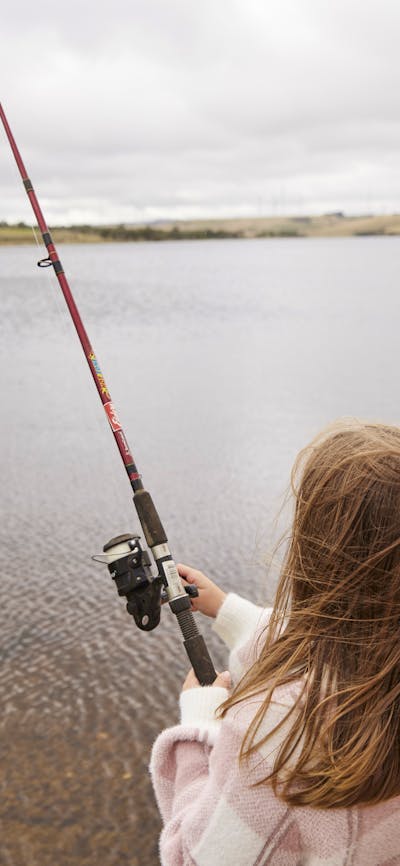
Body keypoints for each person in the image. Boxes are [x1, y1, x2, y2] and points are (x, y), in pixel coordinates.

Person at [149, 421, 400, 865]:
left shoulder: (277, 734)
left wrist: (200, 729)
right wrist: (225, 609)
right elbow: (341, 643)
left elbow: (193, 858)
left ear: (316, 551)